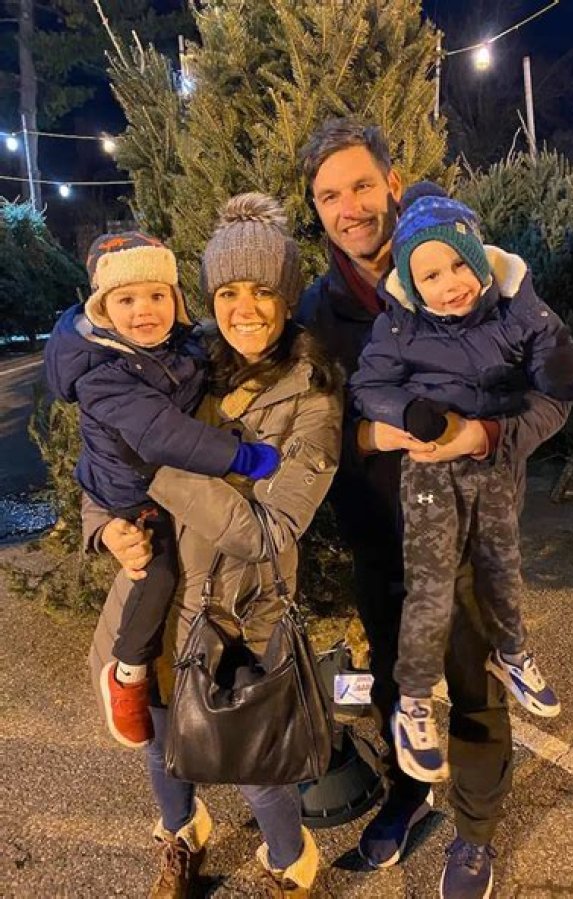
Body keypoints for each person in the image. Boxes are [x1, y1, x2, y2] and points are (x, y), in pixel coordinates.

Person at [297, 118, 573, 898]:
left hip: (469, 535)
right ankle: (410, 791)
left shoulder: (472, 271)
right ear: (316, 209)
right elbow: (306, 427)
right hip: (380, 535)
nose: (349, 207)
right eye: (328, 195)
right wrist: (369, 433)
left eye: (361, 185)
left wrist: (488, 433)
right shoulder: (319, 309)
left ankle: (475, 831)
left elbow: (554, 397)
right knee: (397, 676)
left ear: (392, 182)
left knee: (475, 687)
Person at [83, 193, 342, 898]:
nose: (244, 308)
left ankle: (291, 861)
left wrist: (159, 470)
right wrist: (105, 526)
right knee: (162, 746)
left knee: (257, 769)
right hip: (162, 603)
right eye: (228, 292)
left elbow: (271, 531)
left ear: (286, 298)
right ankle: (181, 833)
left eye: (262, 291)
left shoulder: (312, 398)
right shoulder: (177, 363)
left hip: (243, 613)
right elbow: (104, 454)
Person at [350, 181, 573, 782]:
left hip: (494, 464)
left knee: (502, 565)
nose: (451, 284)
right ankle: (413, 702)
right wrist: (406, 413)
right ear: (412, 286)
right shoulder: (401, 328)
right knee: (431, 584)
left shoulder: (518, 308)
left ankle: (512, 654)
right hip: (431, 465)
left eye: (460, 265)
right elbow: (369, 386)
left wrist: (567, 369)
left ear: (481, 258)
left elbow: (552, 359)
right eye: (431, 276)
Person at [44, 232, 280, 750]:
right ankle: (126, 672)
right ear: (102, 310)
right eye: (127, 300)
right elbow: (162, 434)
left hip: (181, 528)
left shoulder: (176, 347)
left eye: (157, 295)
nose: (144, 310)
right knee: (158, 571)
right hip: (131, 493)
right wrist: (244, 457)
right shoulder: (105, 374)